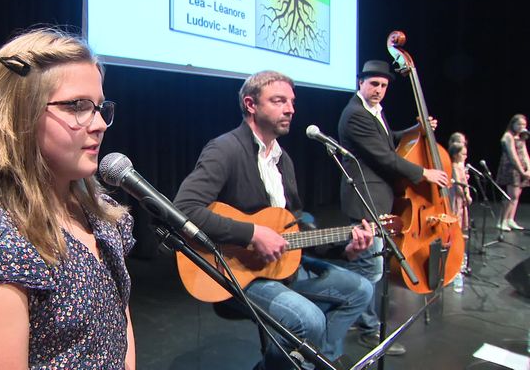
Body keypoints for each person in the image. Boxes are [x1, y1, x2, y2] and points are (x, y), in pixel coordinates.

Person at [0, 28, 136, 369]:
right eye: (78, 106)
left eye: (99, 107)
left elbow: (121, 330)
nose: (99, 124)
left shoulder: (102, 217)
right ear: (18, 115)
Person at [173, 70, 374, 369]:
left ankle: (317, 363)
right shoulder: (225, 149)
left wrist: (344, 249)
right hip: (233, 271)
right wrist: (253, 233)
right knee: (310, 320)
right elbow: (184, 209)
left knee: (362, 290)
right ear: (251, 104)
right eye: (279, 101)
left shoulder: (283, 160)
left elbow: (295, 229)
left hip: (281, 265)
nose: (291, 108)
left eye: (292, 101)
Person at [335, 60, 449, 355]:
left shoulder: (374, 112)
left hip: (376, 197)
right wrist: (424, 173)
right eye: (374, 84)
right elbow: (385, 157)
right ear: (360, 82)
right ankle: (369, 329)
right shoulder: (356, 114)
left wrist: (416, 128)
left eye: (384, 85)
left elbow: (390, 140)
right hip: (366, 199)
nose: (379, 90)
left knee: (363, 263)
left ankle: (352, 311)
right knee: (371, 266)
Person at [496, 114, 530, 231]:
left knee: (517, 195)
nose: (522, 126)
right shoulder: (508, 136)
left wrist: (529, 168)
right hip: (511, 169)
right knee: (511, 195)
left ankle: (510, 219)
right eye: (519, 124)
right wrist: (522, 171)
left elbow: (525, 153)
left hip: (522, 170)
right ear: (513, 124)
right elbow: (513, 156)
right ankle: (502, 221)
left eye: (524, 124)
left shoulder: (521, 136)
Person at [448, 142, 472, 236]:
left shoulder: (461, 166)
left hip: (462, 194)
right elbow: (458, 184)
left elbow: (465, 182)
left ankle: (459, 232)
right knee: (456, 212)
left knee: (461, 212)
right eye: (463, 154)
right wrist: (465, 196)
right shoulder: (454, 166)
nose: (465, 156)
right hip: (457, 195)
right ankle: (454, 233)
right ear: (455, 155)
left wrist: (468, 194)